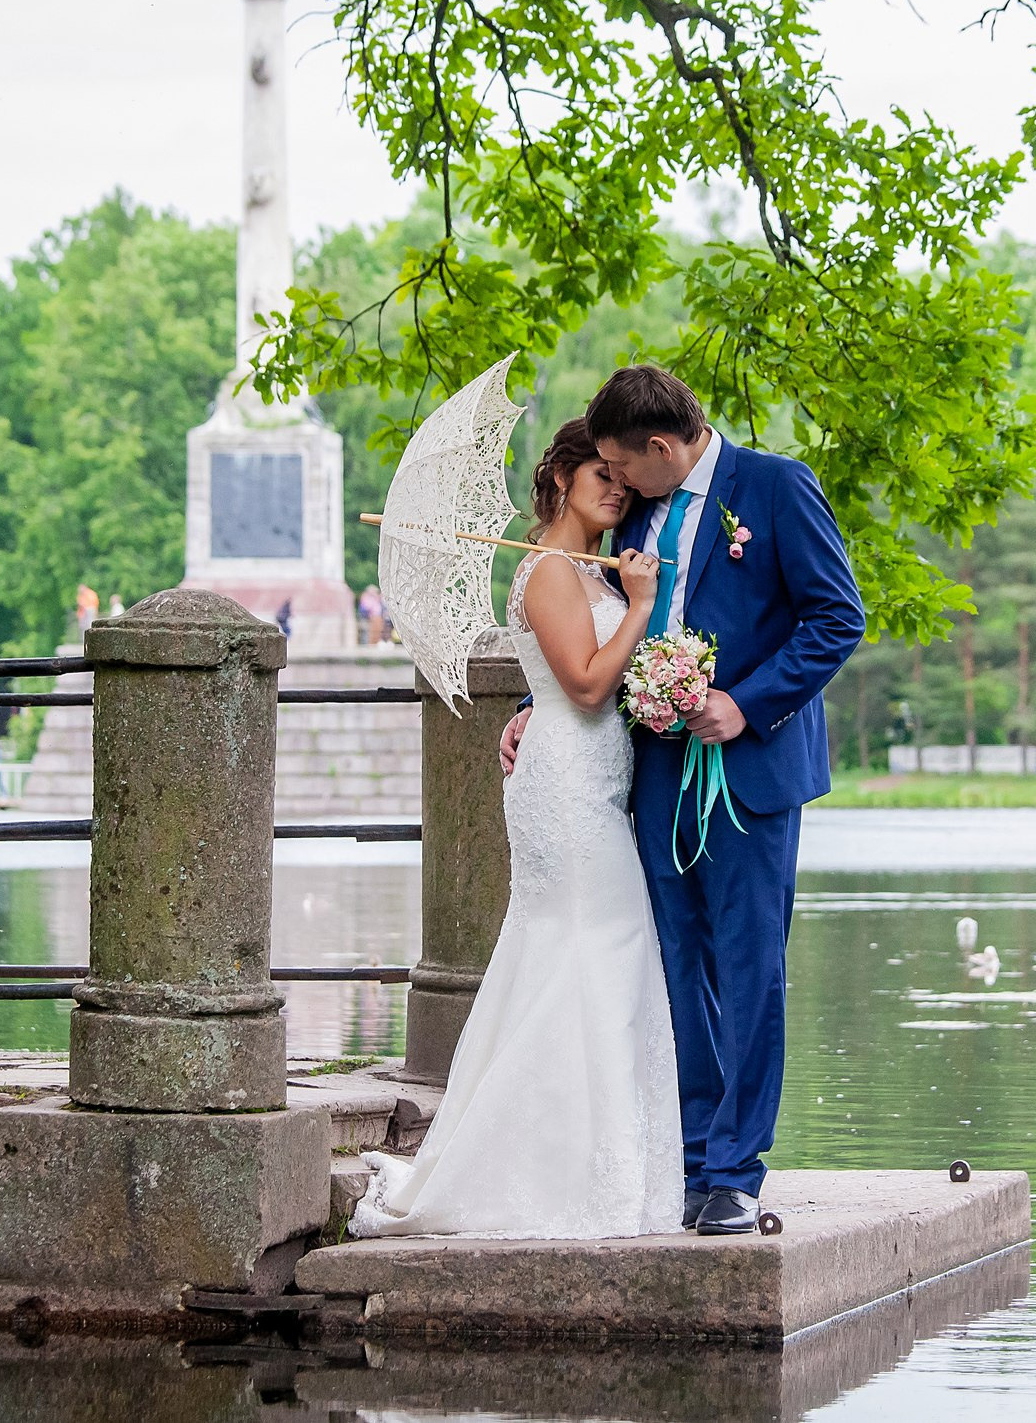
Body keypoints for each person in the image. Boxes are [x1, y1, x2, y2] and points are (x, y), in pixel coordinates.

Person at [498, 365, 862, 1236]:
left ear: (663, 447)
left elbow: (836, 616)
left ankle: (737, 1169)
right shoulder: (644, 510)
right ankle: (692, 1154)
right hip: (653, 772)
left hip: (748, 773)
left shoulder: (774, 488)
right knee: (672, 963)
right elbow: (591, 626)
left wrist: (747, 703)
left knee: (749, 967)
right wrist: (529, 708)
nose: (617, 486)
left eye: (626, 467)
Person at [352, 419, 679, 1238]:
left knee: (588, 955)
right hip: (565, 790)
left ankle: (592, 1160)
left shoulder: (586, 570)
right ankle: (556, 1172)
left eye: (623, 478)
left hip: (592, 779)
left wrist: (537, 700)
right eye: (600, 473)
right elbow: (588, 681)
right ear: (562, 477)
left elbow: (560, 684)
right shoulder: (548, 572)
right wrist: (640, 607)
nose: (617, 488)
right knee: (589, 950)